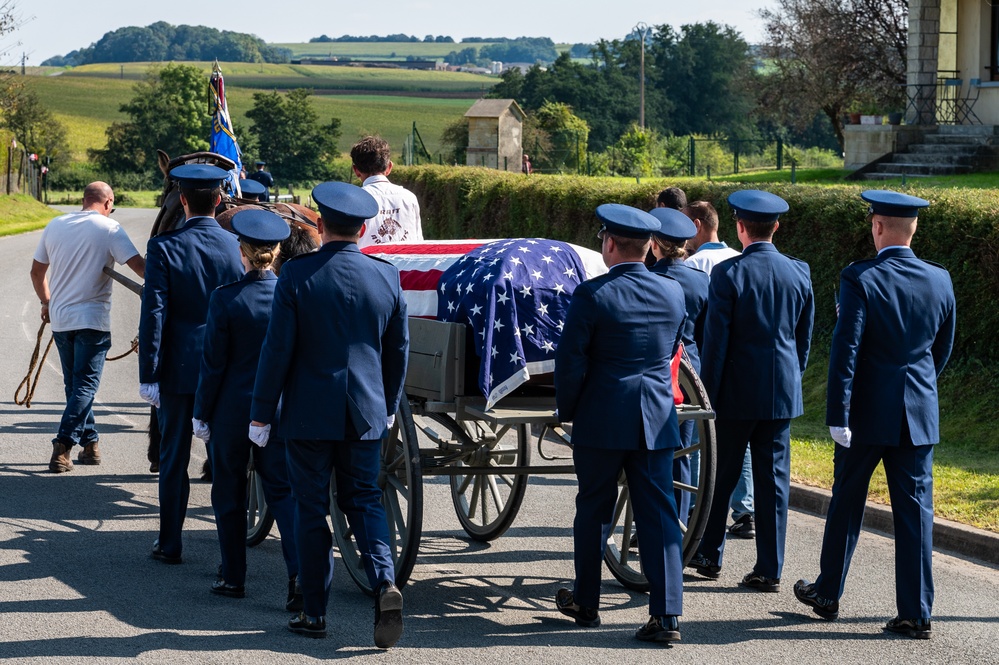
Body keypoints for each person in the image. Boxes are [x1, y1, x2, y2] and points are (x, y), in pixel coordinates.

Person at [249, 181, 409, 647]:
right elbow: (397, 353)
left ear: (321, 225)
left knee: (310, 508)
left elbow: (277, 351)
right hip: (365, 412)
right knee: (364, 500)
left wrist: (261, 413)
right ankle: (384, 582)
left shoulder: (297, 275)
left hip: (307, 413)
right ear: (363, 229)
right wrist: (390, 407)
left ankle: (315, 613)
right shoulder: (387, 276)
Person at [794, 191, 955, 640]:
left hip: (864, 413)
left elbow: (847, 350)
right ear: (914, 228)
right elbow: (941, 351)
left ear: (878, 227)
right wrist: (917, 392)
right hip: (917, 414)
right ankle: (916, 612)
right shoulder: (940, 279)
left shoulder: (860, 276)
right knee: (915, 513)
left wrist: (836, 412)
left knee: (847, 502)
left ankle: (828, 592)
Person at [554, 203, 686, 644]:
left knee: (593, 508)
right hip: (655, 416)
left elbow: (570, 364)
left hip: (603, 416)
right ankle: (666, 615)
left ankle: (586, 602)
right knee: (660, 515)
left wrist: (567, 410)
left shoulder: (591, 295)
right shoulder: (673, 292)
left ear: (609, 243)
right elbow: (671, 351)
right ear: (650, 248)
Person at [688, 189, 814, 593]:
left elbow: (716, 342)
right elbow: (802, 339)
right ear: (776, 227)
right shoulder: (800, 270)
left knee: (720, 476)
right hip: (780, 391)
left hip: (735, 392)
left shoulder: (729, 273)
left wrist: (707, 393)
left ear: (740, 227)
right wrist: (792, 377)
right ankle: (770, 567)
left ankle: (709, 553)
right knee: (773, 483)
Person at [192, 208, 303, 611]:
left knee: (229, 494)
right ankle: (298, 578)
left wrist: (201, 412)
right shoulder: (292, 295)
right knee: (284, 495)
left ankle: (233, 576)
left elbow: (213, 365)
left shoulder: (225, 298)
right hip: (277, 411)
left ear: (242, 251)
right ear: (276, 253)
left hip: (231, 412)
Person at [138, 164, 243, 565]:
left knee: (174, 456)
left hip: (179, 369)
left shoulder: (164, 247)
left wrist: (149, 373)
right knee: (225, 461)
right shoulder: (238, 246)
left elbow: (155, 314)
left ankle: (170, 543)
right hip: (228, 369)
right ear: (219, 199)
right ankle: (229, 555)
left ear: (182, 200)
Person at [30, 182, 145, 473]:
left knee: (75, 386)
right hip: (92, 320)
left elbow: (36, 271)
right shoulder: (109, 229)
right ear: (108, 202)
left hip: (62, 319)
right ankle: (63, 445)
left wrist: (46, 301)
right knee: (85, 386)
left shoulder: (55, 224)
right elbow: (141, 268)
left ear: (84, 200)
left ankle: (91, 443)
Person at [682, 199, 755, 539]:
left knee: (703, 438)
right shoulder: (736, 258)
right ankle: (745, 508)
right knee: (741, 446)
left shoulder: (695, 265)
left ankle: (699, 503)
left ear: (696, 225)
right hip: (745, 367)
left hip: (709, 360)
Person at [648, 206, 708, 523]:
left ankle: (655, 519)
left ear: (654, 244)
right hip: (691, 372)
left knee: (654, 451)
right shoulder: (701, 282)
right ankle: (679, 523)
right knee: (682, 451)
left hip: (657, 372)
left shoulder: (650, 280)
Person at [350, 136, 423, 248]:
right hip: (406, 265)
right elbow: (419, 242)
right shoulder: (409, 198)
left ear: (356, 171)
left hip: (367, 264)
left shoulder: (353, 200)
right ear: (389, 167)